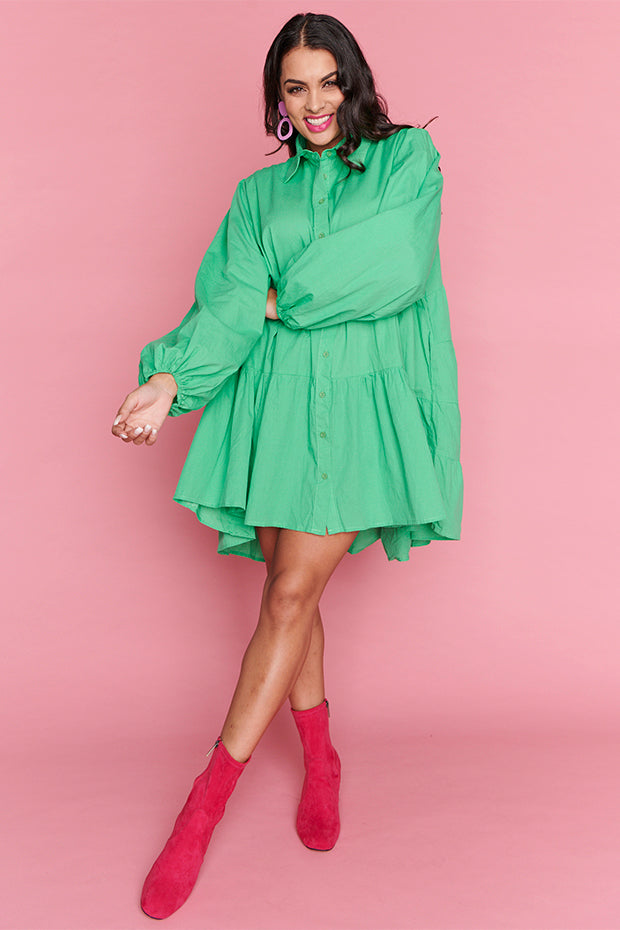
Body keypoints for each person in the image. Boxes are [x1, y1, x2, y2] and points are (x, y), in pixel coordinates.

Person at [111, 11, 463, 921]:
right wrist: (168, 381)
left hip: (361, 407)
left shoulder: (407, 161)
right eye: (295, 88)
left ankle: (201, 809)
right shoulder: (256, 197)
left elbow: (395, 266)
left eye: (328, 82)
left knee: (289, 595)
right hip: (273, 405)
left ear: (355, 81)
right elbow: (227, 302)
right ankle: (322, 758)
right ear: (277, 97)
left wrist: (281, 296)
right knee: (289, 595)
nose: (314, 104)